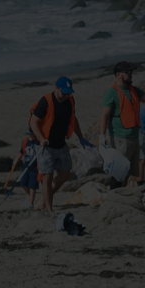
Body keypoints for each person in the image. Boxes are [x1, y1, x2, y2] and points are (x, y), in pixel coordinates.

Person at [28, 76, 90, 212]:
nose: (66, 96)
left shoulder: (70, 101)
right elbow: (34, 122)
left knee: (65, 175)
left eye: (69, 93)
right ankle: (49, 209)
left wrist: (80, 137)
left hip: (61, 144)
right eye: (64, 93)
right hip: (45, 146)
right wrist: (41, 138)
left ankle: (43, 201)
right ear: (56, 88)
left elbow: (73, 118)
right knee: (47, 177)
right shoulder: (46, 101)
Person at [98, 61, 145, 189]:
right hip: (120, 137)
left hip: (133, 137)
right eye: (128, 72)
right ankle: (114, 198)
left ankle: (121, 196)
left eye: (131, 72)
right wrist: (102, 137)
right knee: (119, 171)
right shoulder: (111, 92)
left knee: (126, 172)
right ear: (118, 74)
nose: (131, 74)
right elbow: (104, 115)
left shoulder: (133, 90)